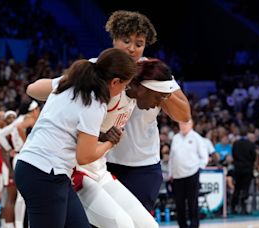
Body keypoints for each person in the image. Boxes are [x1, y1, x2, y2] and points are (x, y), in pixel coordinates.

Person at [27, 59, 174, 228]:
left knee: (149, 226)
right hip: (75, 169)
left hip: (99, 170)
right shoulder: (104, 87)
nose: (159, 104)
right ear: (144, 88)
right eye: (159, 97)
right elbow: (33, 89)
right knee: (122, 224)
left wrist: (101, 136)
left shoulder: (131, 95)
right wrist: (65, 83)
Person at [14, 48, 137, 228]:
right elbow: (84, 157)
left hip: (40, 169)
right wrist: (111, 142)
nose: (122, 91)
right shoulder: (95, 103)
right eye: (124, 86)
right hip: (45, 173)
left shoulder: (70, 82)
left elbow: (32, 89)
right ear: (115, 82)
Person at [104, 10, 191, 212]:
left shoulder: (154, 71)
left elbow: (184, 115)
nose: (132, 48)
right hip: (102, 162)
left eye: (139, 43)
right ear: (114, 39)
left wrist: (159, 90)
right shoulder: (99, 67)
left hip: (142, 166)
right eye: (126, 40)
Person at [169, 120, 209, 228]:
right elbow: (171, 158)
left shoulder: (196, 138)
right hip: (177, 176)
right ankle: (182, 225)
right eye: (181, 123)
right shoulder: (175, 138)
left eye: (185, 123)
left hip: (192, 174)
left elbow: (204, 156)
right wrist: (170, 173)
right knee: (179, 204)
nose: (182, 125)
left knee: (193, 203)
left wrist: (199, 168)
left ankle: (194, 225)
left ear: (191, 124)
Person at [232, 127, 256, 215]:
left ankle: (233, 207)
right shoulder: (250, 144)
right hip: (247, 169)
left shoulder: (235, 144)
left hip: (238, 169)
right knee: (246, 189)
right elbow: (254, 156)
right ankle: (243, 208)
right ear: (247, 134)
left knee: (237, 188)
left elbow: (233, 155)